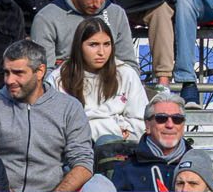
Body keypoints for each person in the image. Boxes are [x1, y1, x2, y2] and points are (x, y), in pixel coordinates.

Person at [0, 39, 94, 192]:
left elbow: (83, 165)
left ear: (40, 72)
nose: (9, 80)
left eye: (18, 73)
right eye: (6, 72)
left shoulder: (69, 107)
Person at [58, 15, 148, 160]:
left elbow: (141, 126)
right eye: (93, 45)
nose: (101, 52)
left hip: (117, 152)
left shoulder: (126, 74)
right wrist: (114, 122)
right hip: (73, 151)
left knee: (107, 142)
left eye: (106, 44)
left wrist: (91, 126)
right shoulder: (59, 77)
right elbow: (56, 127)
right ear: (79, 46)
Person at [32, 0, 135, 76]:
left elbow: (130, 67)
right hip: (66, 85)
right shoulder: (46, 18)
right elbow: (43, 74)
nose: (97, 4)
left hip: (110, 84)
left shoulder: (116, 14)